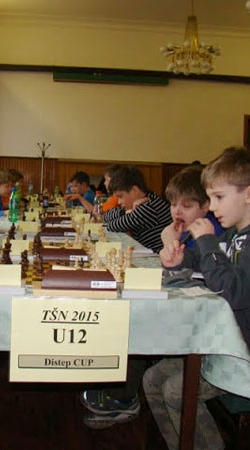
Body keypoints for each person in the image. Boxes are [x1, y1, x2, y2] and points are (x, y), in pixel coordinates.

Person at [150, 146, 250, 450]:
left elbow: (233, 291)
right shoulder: (236, 233)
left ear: (249, 193)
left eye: (218, 197)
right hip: (231, 345)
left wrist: (207, 242)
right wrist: (182, 259)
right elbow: (211, 266)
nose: (212, 207)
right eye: (210, 198)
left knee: (177, 392)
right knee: (153, 380)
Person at [80, 165, 223, 430]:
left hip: (202, 321)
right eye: (174, 205)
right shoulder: (187, 228)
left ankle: (124, 396)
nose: (177, 212)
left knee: (138, 320)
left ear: (206, 207)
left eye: (186, 206)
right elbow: (108, 219)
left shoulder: (209, 233)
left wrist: (168, 241)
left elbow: (207, 276)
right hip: (190, 304)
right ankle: (117, 385)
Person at [103, 166, 172, 253]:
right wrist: (126, 212)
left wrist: (128, 213)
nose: (119, 202)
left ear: (134, 190)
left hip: (158, 256)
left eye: (120, 196)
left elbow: (112, 226)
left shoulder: (149, 207)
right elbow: (106, 217)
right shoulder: (150, 197)